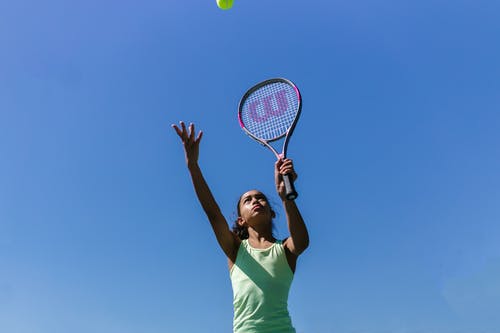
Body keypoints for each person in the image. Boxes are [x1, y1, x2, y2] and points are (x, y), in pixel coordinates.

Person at [172, 121, 309, 333]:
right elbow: (213, 213)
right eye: (248, 200)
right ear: (241, 220)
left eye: (261, 198)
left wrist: (285, 197)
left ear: (272, 212)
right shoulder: (236, 249)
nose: (255, 201)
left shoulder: (284, 250)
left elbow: (302, 241)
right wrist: (193, 166)